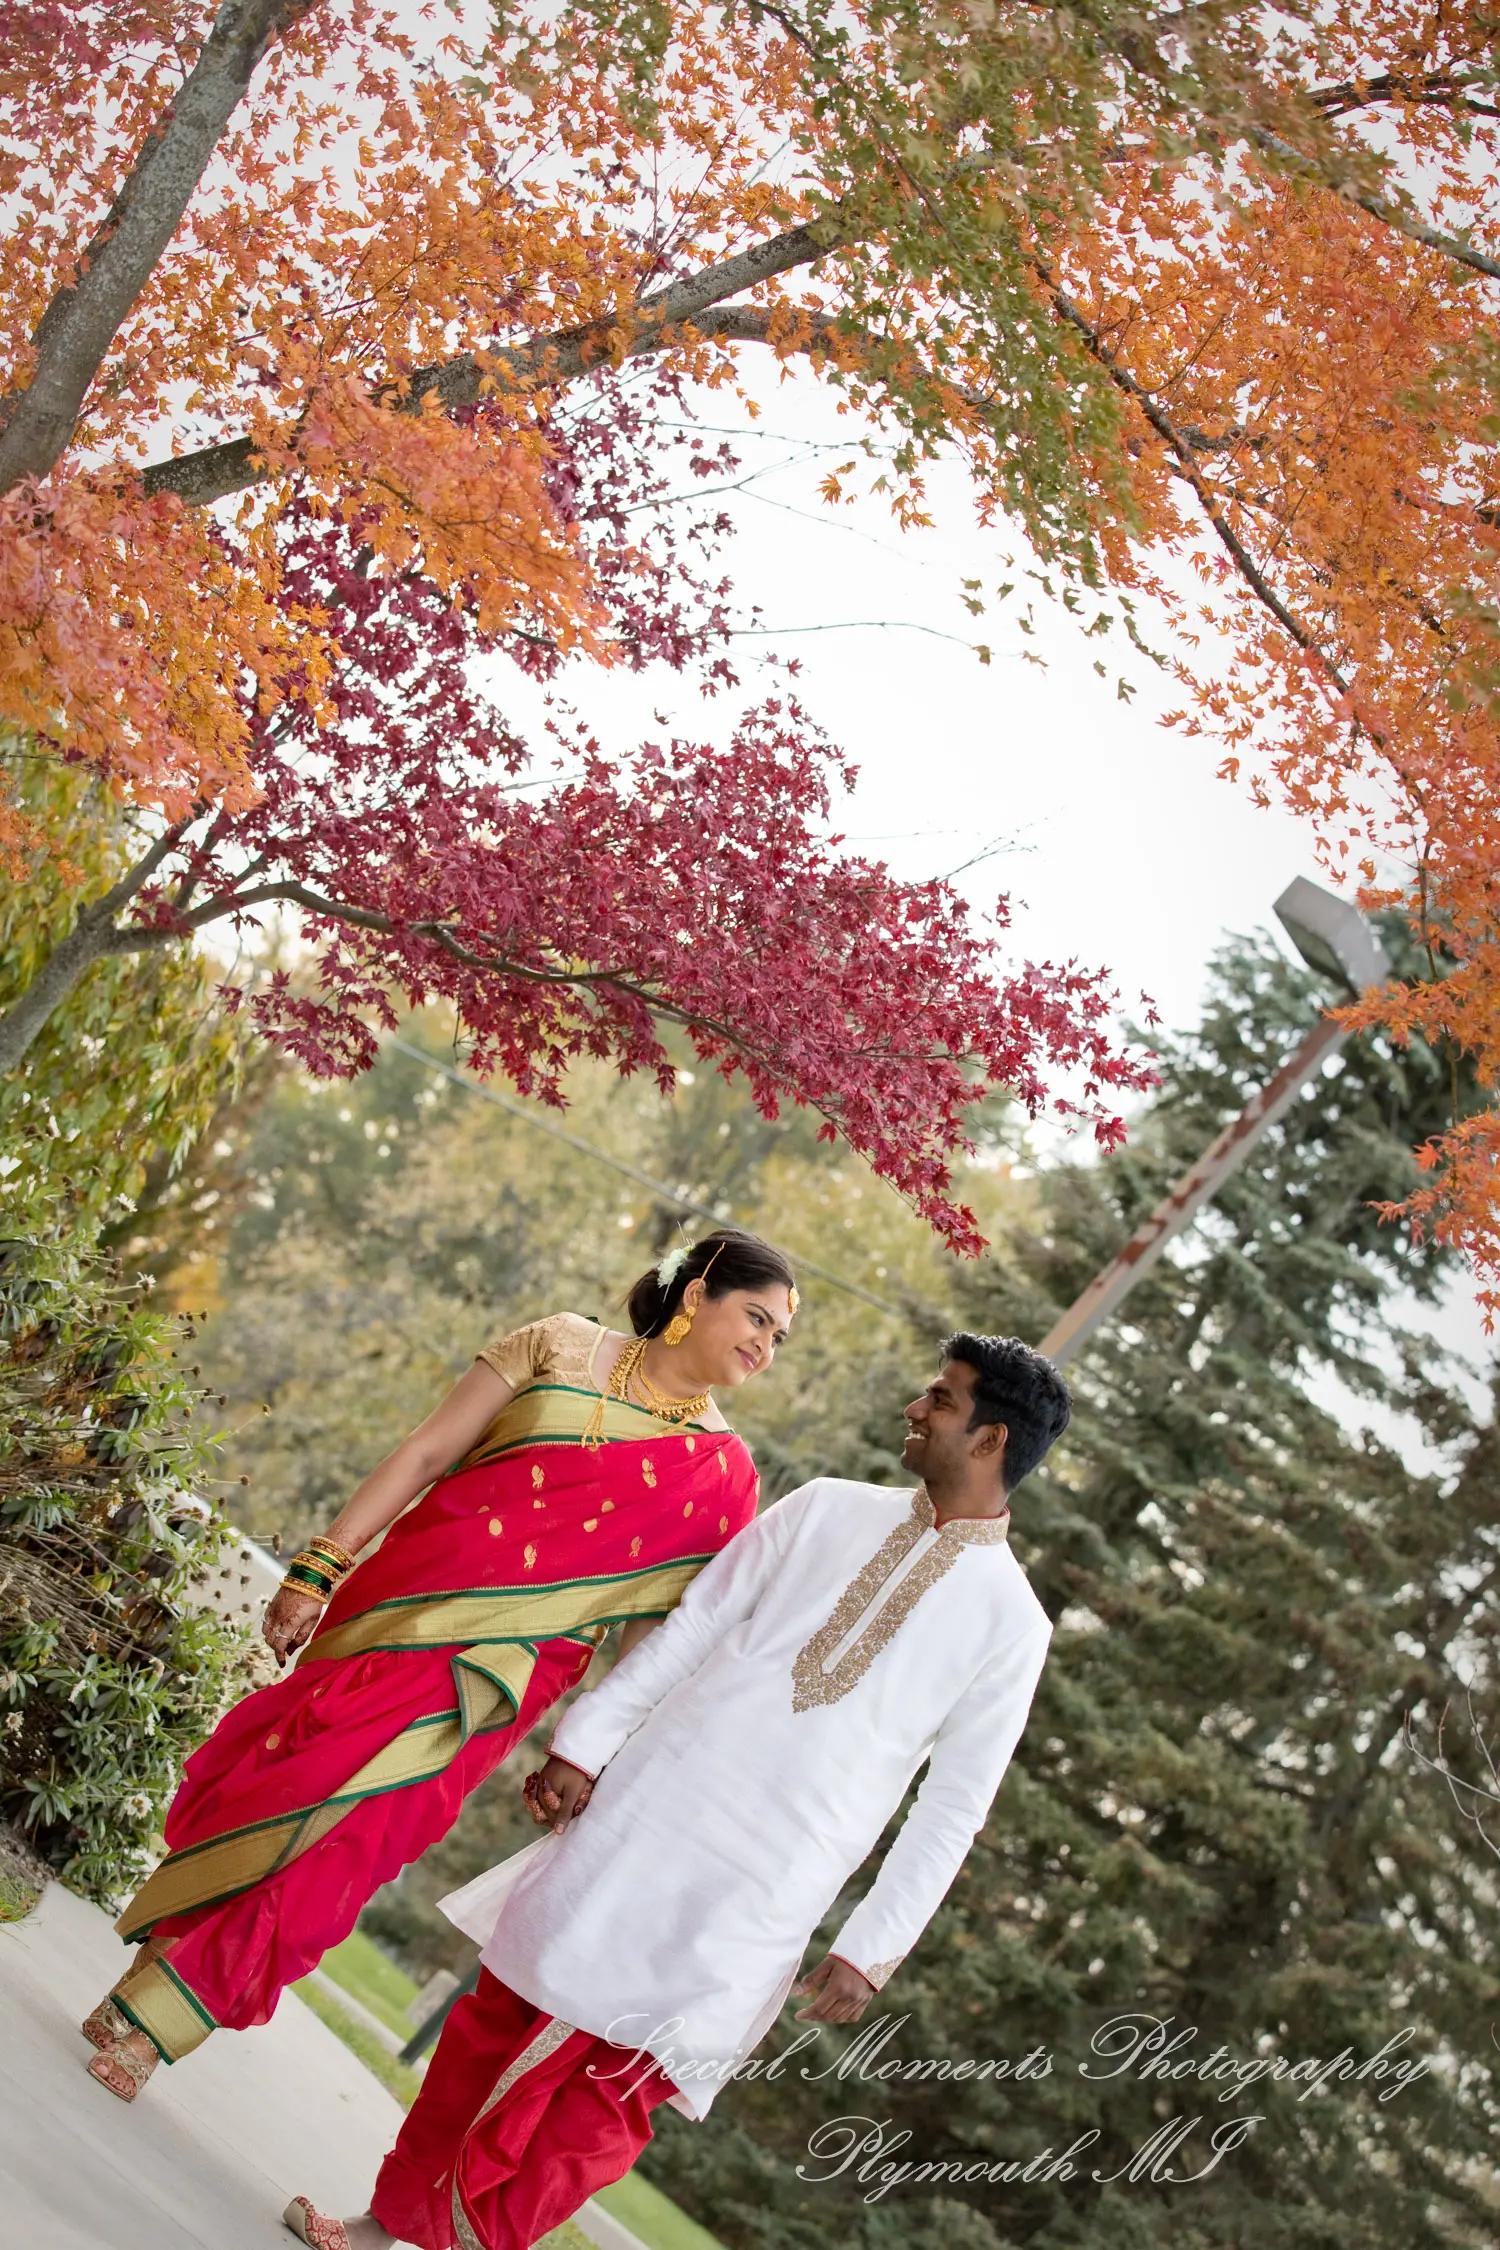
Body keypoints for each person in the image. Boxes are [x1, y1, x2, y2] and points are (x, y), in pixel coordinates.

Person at [282, 1332, 1070, 2250]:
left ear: (991, 1441)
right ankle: (389, 2224)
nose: (916, 1406)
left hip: (761, 1892)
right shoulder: (825, 1508)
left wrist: (873, 1946)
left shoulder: (1012, 1624)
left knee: (607, 2102)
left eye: (941, 1398)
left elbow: (953, 1805)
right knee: (498, 2019)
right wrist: (585, 1743)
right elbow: (696, 1625)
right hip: (647, 1813)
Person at [83, 1228, 797, 2101]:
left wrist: (592, 1750)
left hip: (489, 1692)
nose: (765, 1347)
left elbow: (648, 1635)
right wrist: (322, 1564)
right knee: (279, 1785)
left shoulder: (725, 1479)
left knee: (348, 1840)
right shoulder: (558, 1343)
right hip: (393, 1613)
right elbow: (426, 1453)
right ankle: (155, 1975)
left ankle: (159, 2026)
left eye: (778, 1336)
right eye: (756, 1318)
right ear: (697, 1296)